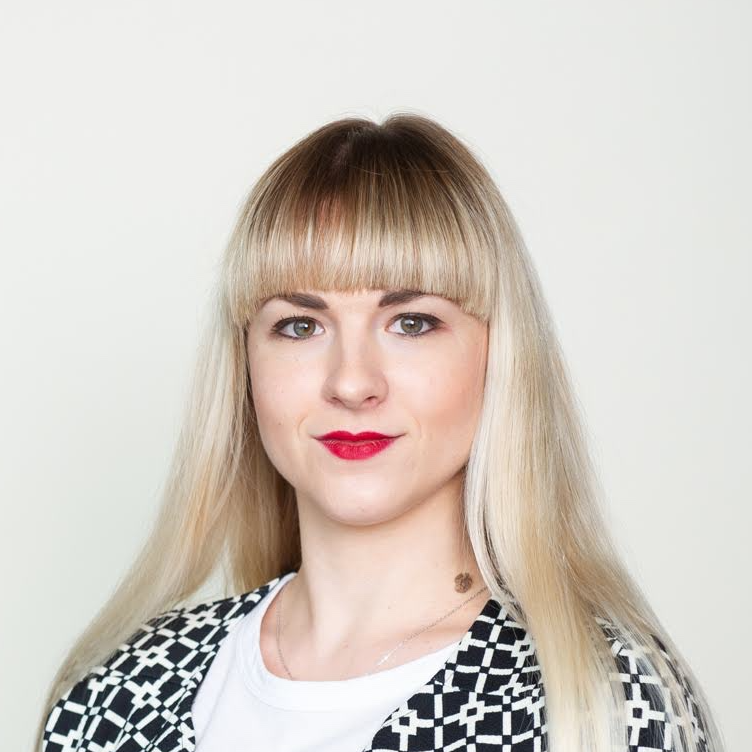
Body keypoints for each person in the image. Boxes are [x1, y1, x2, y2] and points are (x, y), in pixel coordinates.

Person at [36, 113, 724, 752]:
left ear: (498, 356)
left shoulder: (598, 707)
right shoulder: (115, 695)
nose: (352, 381)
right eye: (300, 326)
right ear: (245, 367)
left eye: (412, 323)